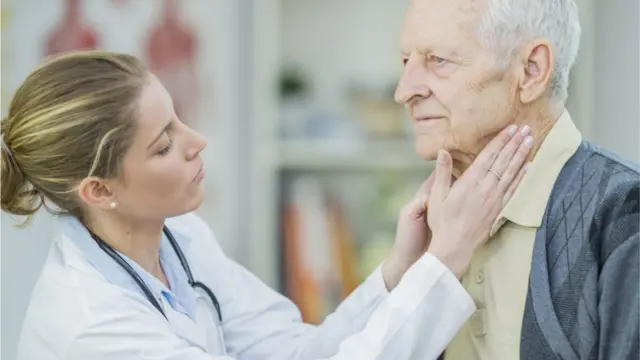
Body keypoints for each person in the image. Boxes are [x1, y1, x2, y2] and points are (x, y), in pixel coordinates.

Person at [0, 50, 532, 360]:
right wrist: (449, 258)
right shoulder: (90, 327)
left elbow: (299, 353)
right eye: (163, 144)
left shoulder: (179, 239)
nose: (197, 141)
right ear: (99, 190)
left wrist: (401, 269)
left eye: (178, 118)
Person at [394, 0, 640, 359]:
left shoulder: (623, 215)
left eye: (438, 60)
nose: (404, 91)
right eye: (406, 62)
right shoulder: (428, 223)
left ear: (531, 70)